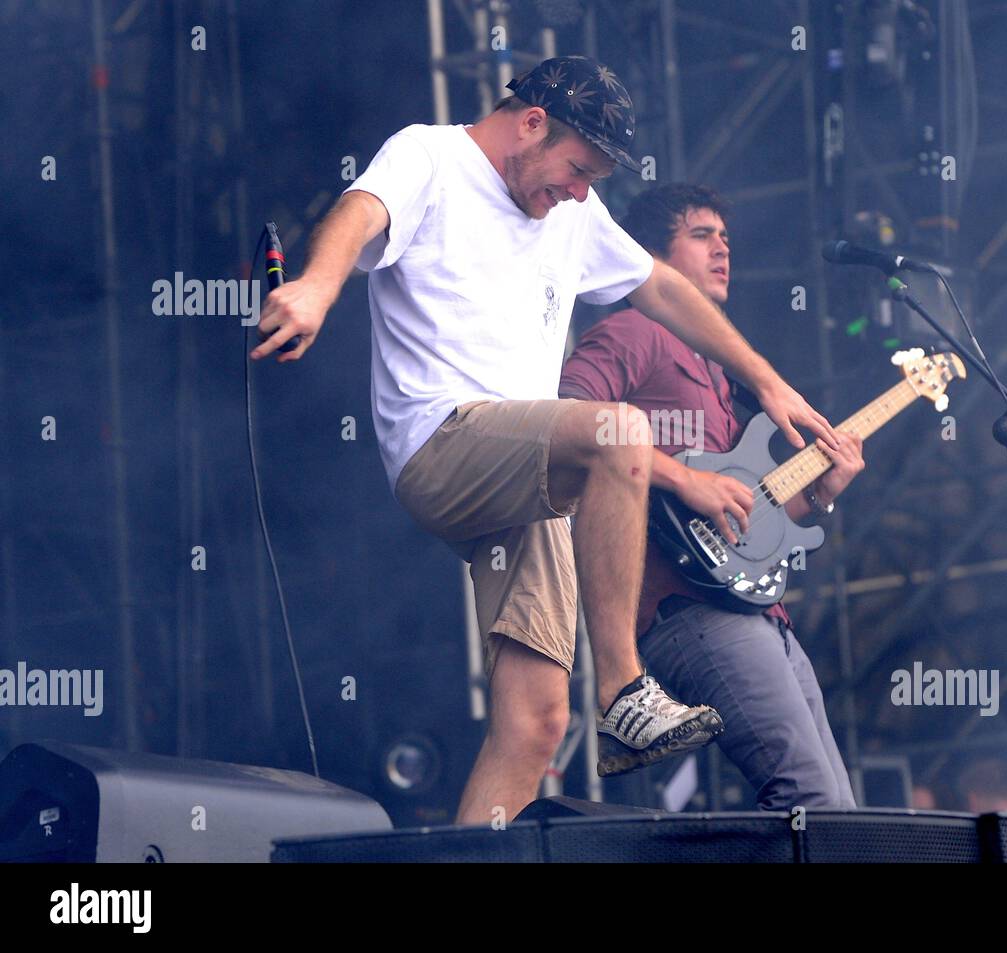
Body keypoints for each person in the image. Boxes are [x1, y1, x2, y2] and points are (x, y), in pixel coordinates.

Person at [251, 57, 838, 824]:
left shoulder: (571, 213)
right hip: (445, 441)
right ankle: (624, 686)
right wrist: (319, 285)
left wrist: (765, 378)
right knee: (620, 429)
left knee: (535, 723)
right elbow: (360, 211)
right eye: (577, 170)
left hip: (526, 478)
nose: (579, 193)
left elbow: (660, 286)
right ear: (531, 123)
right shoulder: (434, 155)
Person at [560, 184, 862, 810]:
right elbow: (569, 422)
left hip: (758, 615)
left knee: (838, 812)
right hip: (686, 609)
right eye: (702, 235)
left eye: (726, 237)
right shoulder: (633, 332)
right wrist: (682, 477)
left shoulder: (721, 376)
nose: (723, 248)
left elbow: (737, 518)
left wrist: (821, 497)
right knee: (811, 801)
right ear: (649, 257)